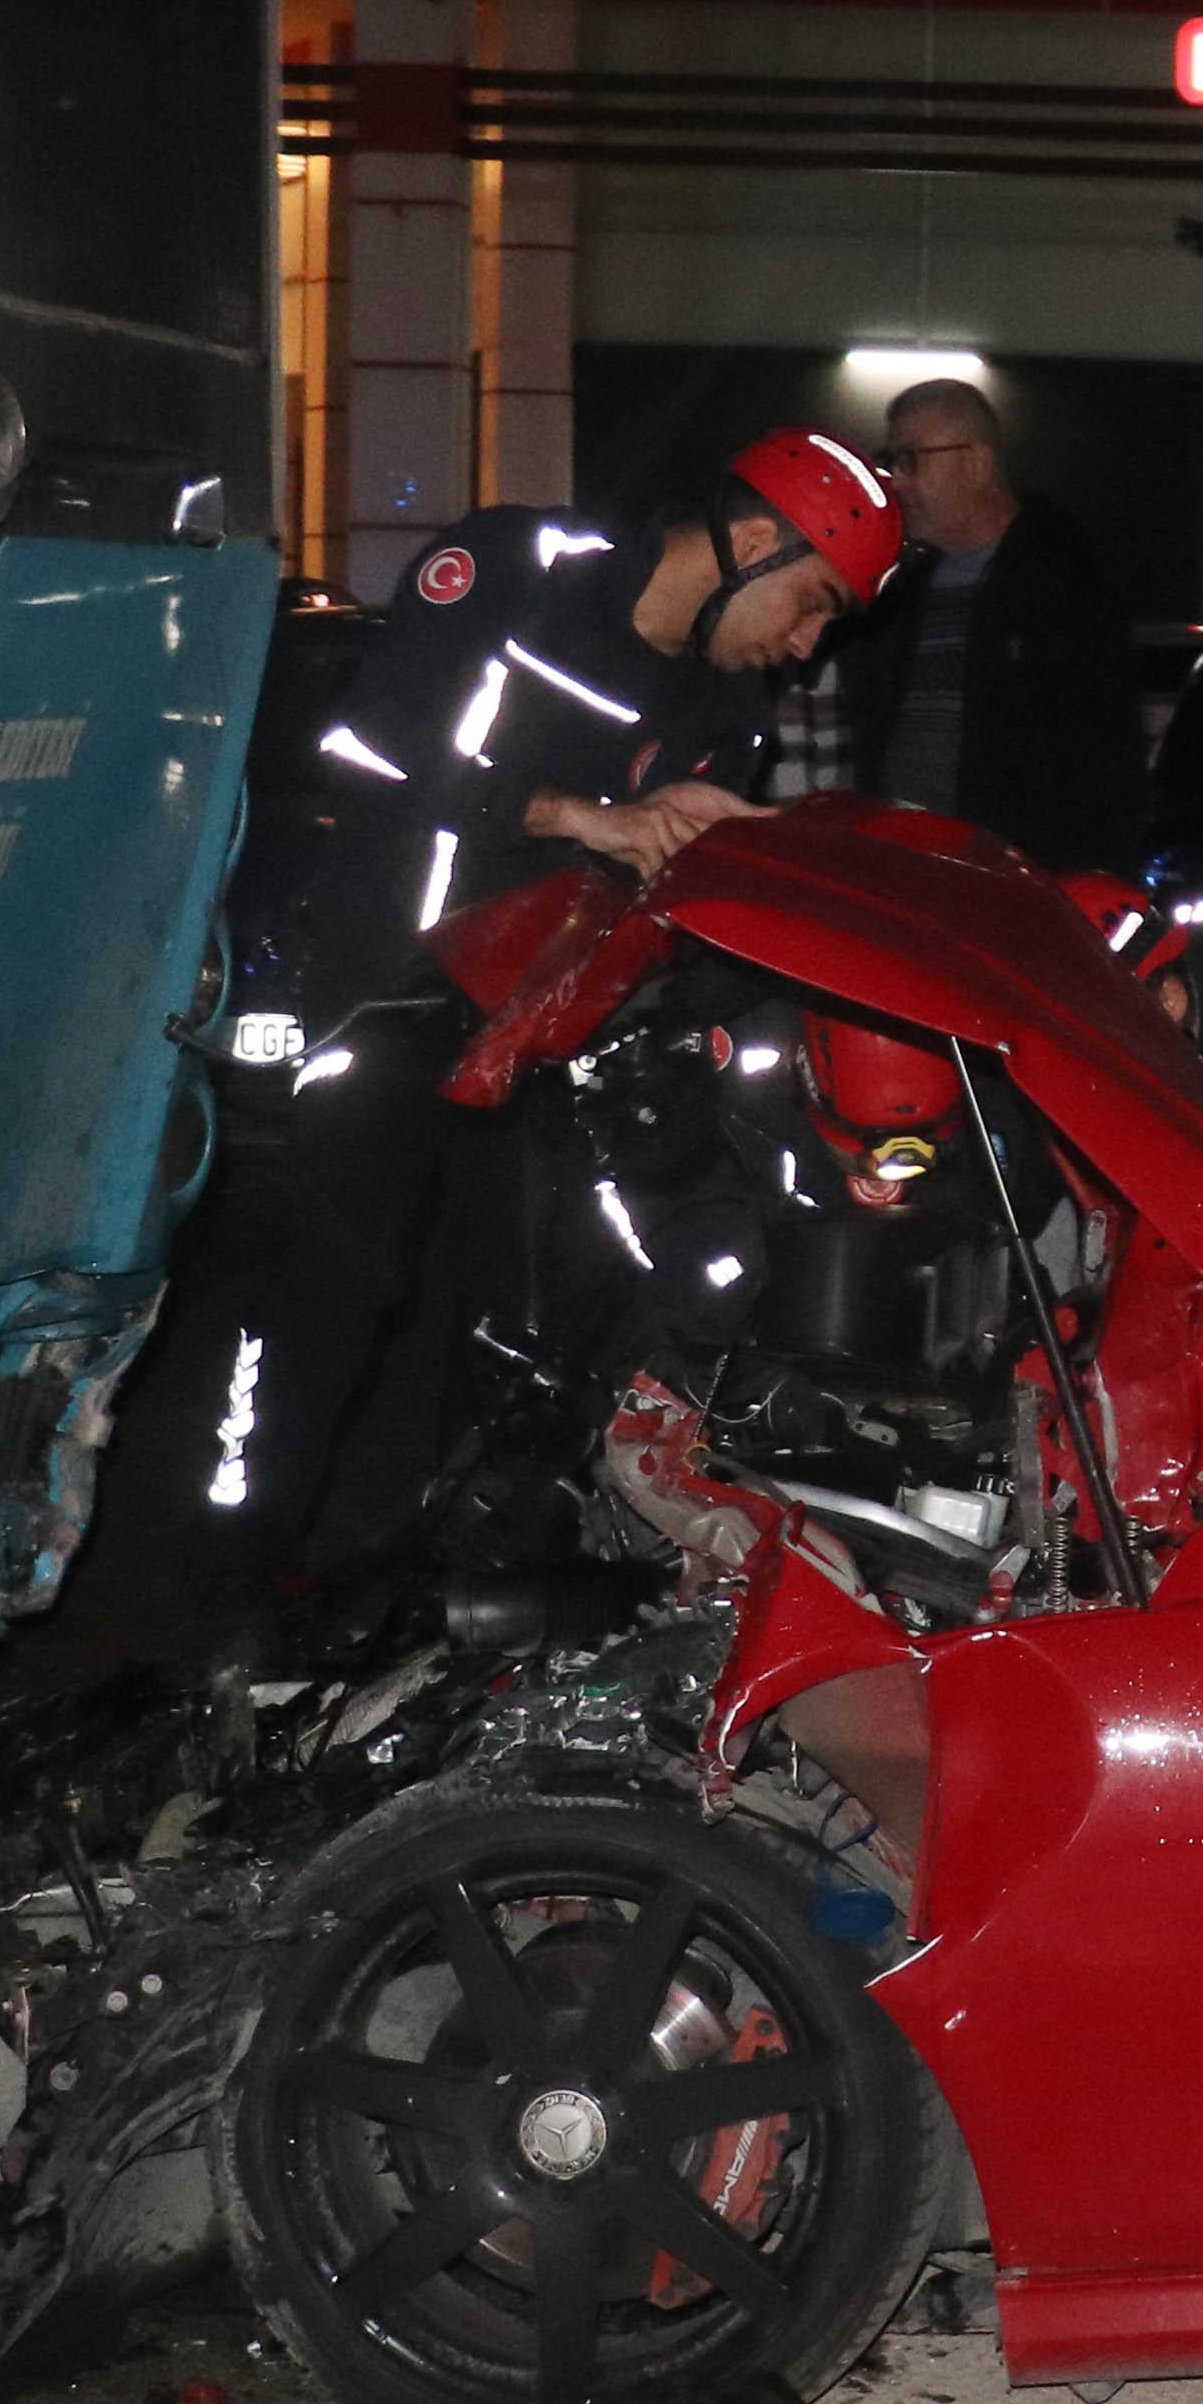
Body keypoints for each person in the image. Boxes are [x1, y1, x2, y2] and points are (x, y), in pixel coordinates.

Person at [188, 429, 908, 1599]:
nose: (807, 643)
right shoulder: (523, 568)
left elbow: (662, 891)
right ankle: (227, 1580)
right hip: (387, 992)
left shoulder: (731, 711)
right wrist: (583, 815)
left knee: (525, 1323)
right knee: (339, 1279)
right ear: (755, 540)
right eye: (813, 602)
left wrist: (729, 851)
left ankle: (461, 1587)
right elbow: (368, 746)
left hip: (545, 1034)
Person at [836, 374, 1153, 873]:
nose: (897, 481)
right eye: (892, 460)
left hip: (1014, 879)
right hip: (906, 868)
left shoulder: (1064, 583)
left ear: (978, 463)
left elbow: (1101, 761)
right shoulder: (901, 590)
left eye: (913, 459)